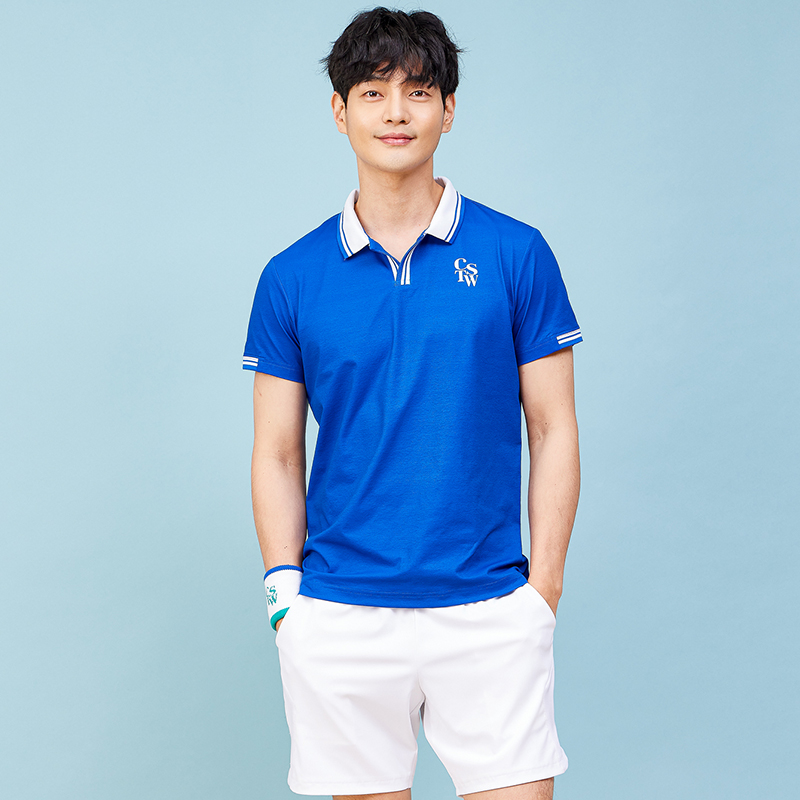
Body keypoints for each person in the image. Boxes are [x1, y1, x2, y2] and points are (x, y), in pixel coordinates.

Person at [242, 8, 582, 800]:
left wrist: (543, 592)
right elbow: (278, 451)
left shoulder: (516, 253)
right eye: (372, 92)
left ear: (448, 110)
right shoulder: (291, 277)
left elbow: (554, 427)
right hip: (342, 614)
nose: (396, 112)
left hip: (490, 605)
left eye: (418, 91)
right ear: (340, 111)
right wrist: (284, 595)